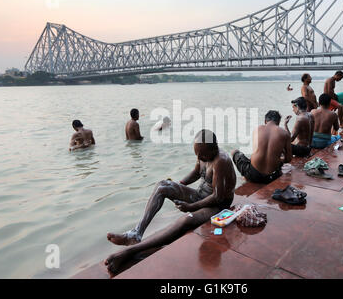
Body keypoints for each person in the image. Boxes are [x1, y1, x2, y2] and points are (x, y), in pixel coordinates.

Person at [105, 130, 236, 274]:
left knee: (186, 221)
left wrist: (191, 207)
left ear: (214, 148)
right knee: (163, 186)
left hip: (217, 205)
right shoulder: (203, 155)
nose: (199, 158)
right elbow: (196, 172)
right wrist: (178, 185)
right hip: (200, 196)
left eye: (202, 154)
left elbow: (217, 196)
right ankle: (136, 234)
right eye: (197, 154)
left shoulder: (221, 161)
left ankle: (130, 251)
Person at [231, 110, 292, 184]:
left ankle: (245, 177)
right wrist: (280, 158)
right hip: (272, 177)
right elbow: (288, 159)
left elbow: (256, 153)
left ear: (265, 121)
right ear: (278, 122)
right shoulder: (284, 133)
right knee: (280, 155)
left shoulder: (257, 129)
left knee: (234, 152)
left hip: (254, 175)